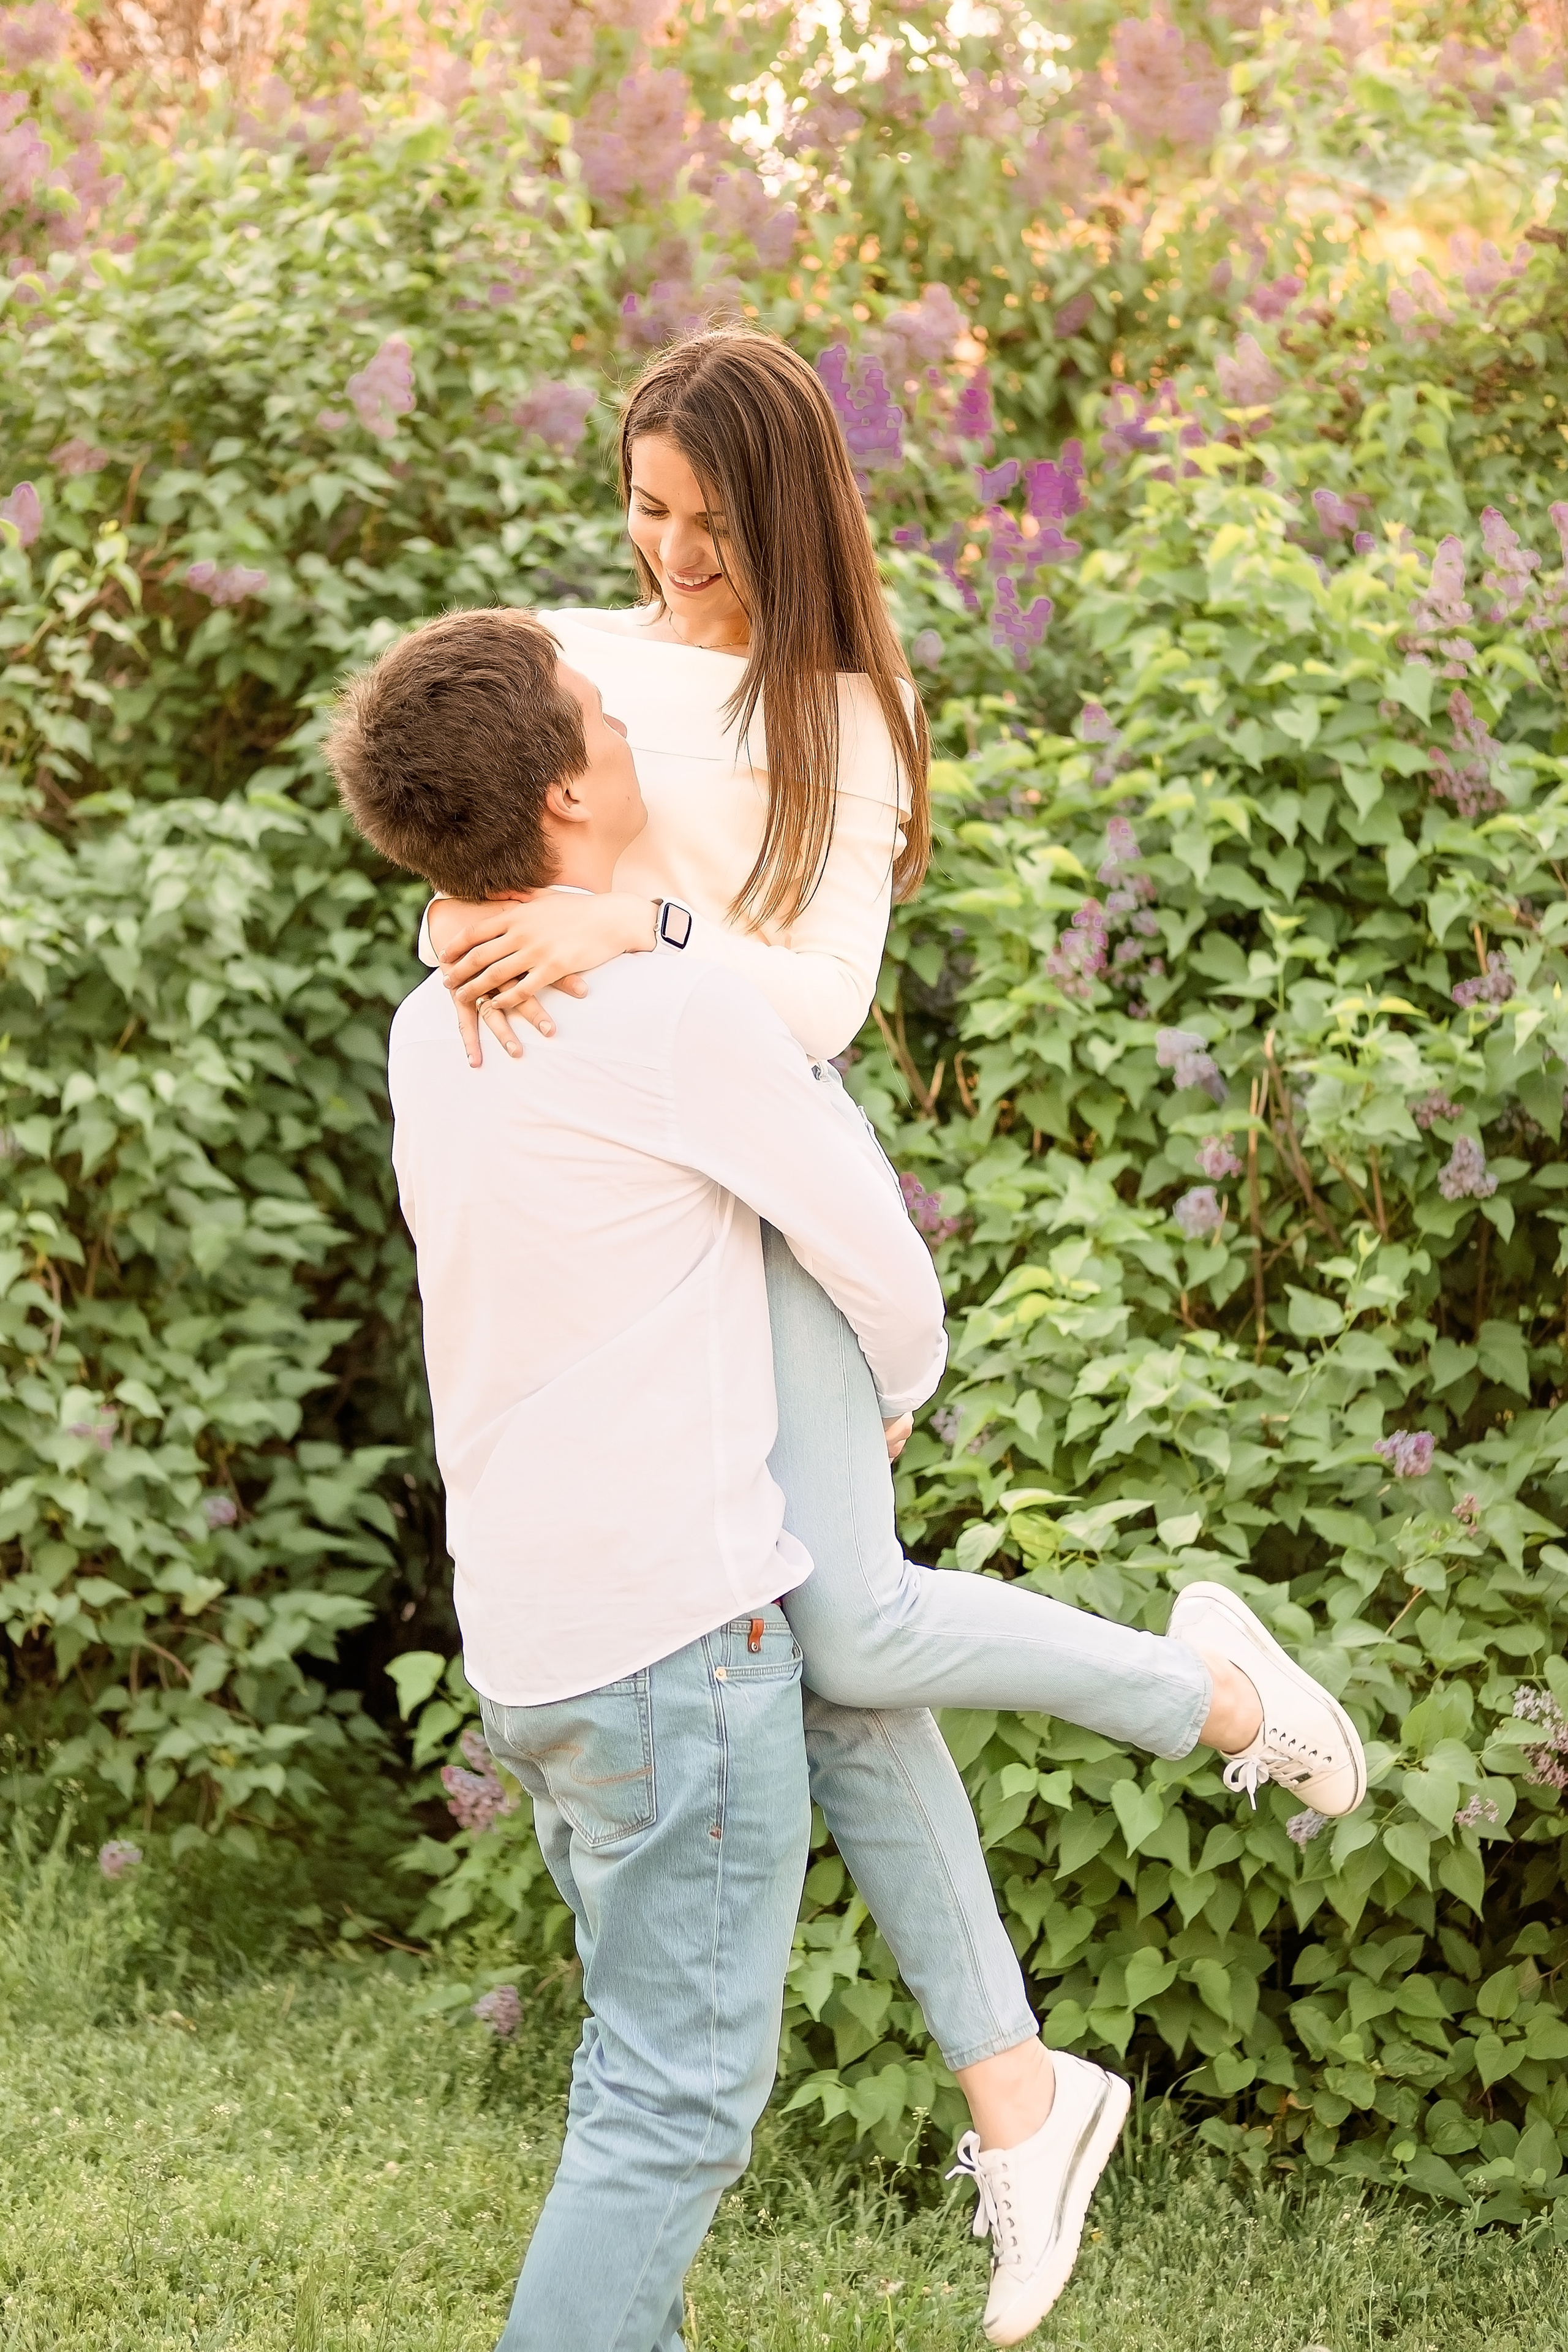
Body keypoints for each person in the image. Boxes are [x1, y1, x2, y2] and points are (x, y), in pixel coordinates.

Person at [330, 601, 1366, 2349]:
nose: (632, 708)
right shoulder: (667, 1023)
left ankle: (1033, 2080)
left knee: (638, 2060)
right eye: (603, 713)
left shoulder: (436, 1029)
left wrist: (547, 904)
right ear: (572, 800)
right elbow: (881, 1254)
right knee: (664, 2112)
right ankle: (1204, 1725)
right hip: (673, 1648)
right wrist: (897, 1386)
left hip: (536, 1658)